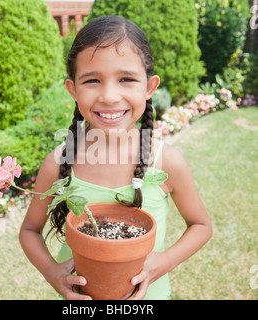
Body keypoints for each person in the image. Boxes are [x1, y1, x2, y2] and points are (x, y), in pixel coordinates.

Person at [19, 15, 212, 300]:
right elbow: (29, 230)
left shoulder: (165, 162)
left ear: (149, 87)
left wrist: (165, 262)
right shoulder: (59, 161)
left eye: (126, 79)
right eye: (93, 80)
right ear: (73, 90)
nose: (109, 96)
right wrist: (52, 272)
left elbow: (201, 226)